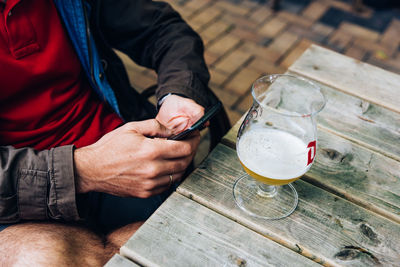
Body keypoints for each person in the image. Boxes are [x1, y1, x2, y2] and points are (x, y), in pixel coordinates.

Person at [0, 0, 228, 265]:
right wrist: (82, 171)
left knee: (211, 242)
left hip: (124, 149)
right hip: (18, 199)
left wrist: (178, 95)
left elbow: (162, 28)